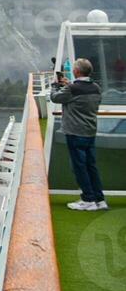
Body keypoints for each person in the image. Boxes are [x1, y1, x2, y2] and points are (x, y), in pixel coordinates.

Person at [51, 58, 107, 211]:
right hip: (90, 131)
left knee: (79, 167)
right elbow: (81, 95)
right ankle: (100, 199)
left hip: (75, 132)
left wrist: (55, 86)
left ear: (76, 71)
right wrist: (69, 85)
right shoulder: (96, 87)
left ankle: (88, 199)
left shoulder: (73, 89)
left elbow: (55, 97)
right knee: (91, 166)